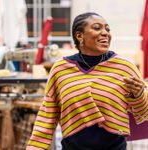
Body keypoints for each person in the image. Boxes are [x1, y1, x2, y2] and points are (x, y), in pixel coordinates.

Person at [26, 12, 148, 150]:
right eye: (97, 28)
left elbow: (143, 114)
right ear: (79, 36)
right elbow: (48, 112)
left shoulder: (124, 67)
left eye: (107, 29)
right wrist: (35, 147)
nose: (105, 33)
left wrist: (138, 96)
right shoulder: (61, 69)